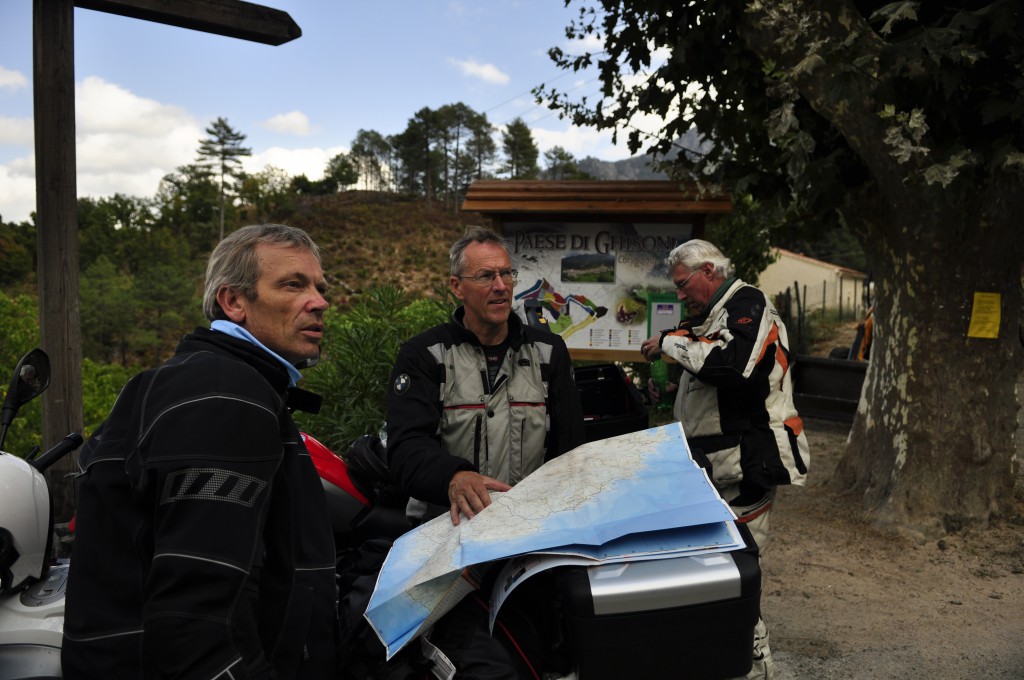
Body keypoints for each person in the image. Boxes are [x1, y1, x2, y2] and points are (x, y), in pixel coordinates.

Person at [62, 224, 338, 679]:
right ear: (234, 303)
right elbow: (200, 617)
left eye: (320, 287)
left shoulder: (207, 381)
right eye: (293, 284)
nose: (320, 301)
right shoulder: (225, 396)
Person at [640, 238, 810, 680]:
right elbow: (713, 386)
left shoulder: (748, 303)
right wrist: (676, 392)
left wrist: (667, 344)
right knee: (707, 561)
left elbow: (735, 367)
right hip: (712, 462)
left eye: (682, 284)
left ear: (709, 270)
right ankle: (717, 653)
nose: (679, 294)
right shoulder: (710, 315)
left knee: (738, 564)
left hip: (749, 459)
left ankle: (755, 664)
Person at [387, 226, 585, 526]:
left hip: (528, 526)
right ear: (457, 287)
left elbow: (569, 449)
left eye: (506, 274)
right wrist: (453, 475)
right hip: (446, 529)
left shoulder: (548, 351)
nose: (501, 286)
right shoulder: (425, 354)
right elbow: (405, 449)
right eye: (485, 276)